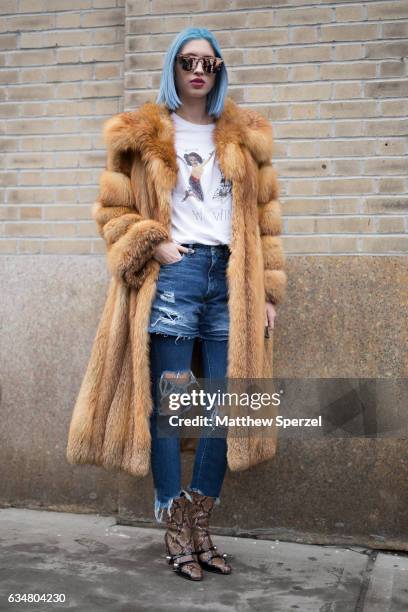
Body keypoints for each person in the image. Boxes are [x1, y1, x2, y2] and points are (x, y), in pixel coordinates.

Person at [66, 26, 287, 583]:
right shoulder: (140, 135)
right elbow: (109, 213)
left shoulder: (245, 136)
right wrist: (153, 242)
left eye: (209, 64)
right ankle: (174, 525)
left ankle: (200, 521)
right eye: (189, 61)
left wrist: (266, 291)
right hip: (176, 275)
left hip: (231, 278)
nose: (198, 71)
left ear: (219, 72)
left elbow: (265, 220)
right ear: (173, 65)